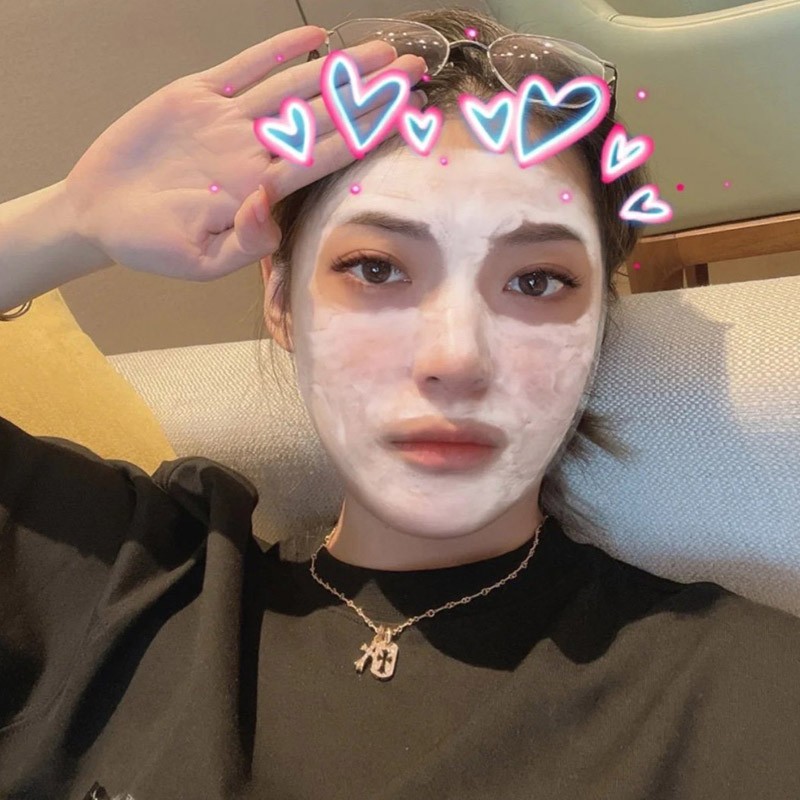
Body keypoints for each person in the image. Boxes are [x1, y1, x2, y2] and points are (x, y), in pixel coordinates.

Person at [1, 7, 799, 800]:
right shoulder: (125, 584)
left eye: (536, 281)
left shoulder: (735, 691)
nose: (456, 360)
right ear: (281, 299)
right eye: (377, 269)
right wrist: (70, 222)